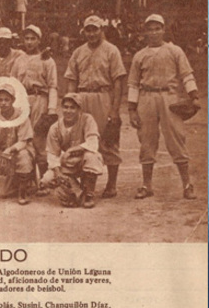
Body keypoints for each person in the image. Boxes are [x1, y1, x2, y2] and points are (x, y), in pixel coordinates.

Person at [128, 14, 200, 200]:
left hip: (169, 96)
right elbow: (134, 84)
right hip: (147, 97)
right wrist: (131, 109)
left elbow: (186, 75)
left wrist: (194, 96)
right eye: (150, 29)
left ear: (163, 30)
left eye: (157, 28)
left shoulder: (174, 51)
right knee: (147, 140)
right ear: (145, 32)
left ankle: (187, 184)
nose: (153, 32)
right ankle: (147, 185)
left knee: (176, 138)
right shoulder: (140, 55)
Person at [64, 15, 127, 199]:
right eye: (88, 29)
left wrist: (114, 110)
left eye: (95, 29)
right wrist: (71, 101)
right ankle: (86, 184)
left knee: (108, 140)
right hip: (82, 97)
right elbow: (71, 80)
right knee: (82, 139)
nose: (91, 33)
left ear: (101, 30)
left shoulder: (111, 50)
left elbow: (118, 81)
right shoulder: (78, 52)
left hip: (103, 96)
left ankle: (112, 184)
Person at [42, 93, 104, 208]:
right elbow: (52, 155)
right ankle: (77, 191)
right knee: (47, 179)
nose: (68, 111)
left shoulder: (87, 119)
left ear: (79, 109)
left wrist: (71, 150)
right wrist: (59, 174)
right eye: (65, 107)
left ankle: (89, 194)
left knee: (92, 156)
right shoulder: (55, 128)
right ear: (61, 109)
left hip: (82, 160)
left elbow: (93, 143)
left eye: (72, 107)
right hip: (68, 164)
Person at [19, 24, 58, 196]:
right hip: (22, 100)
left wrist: (51, 110)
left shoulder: (47, 60)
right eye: (26, 38)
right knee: (25, 140)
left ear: (39, 40)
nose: (29, 42)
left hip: (40, 99)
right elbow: (13, 83)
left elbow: (53, 86)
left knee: (40, 141)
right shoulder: (19, 60)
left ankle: (43, 181)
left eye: (33, 38)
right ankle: (29, 181)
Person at [0, 83, 35, 205]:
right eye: (1, 100)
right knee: (2, 193)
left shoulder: (21, 115)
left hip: (20, 150)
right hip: (4, 155)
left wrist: (10, 150)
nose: (3, 103)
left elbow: (23, 141)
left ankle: (23, 188)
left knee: (24, 157)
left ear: (13, 100)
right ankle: (20, 182)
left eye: (7, 99)